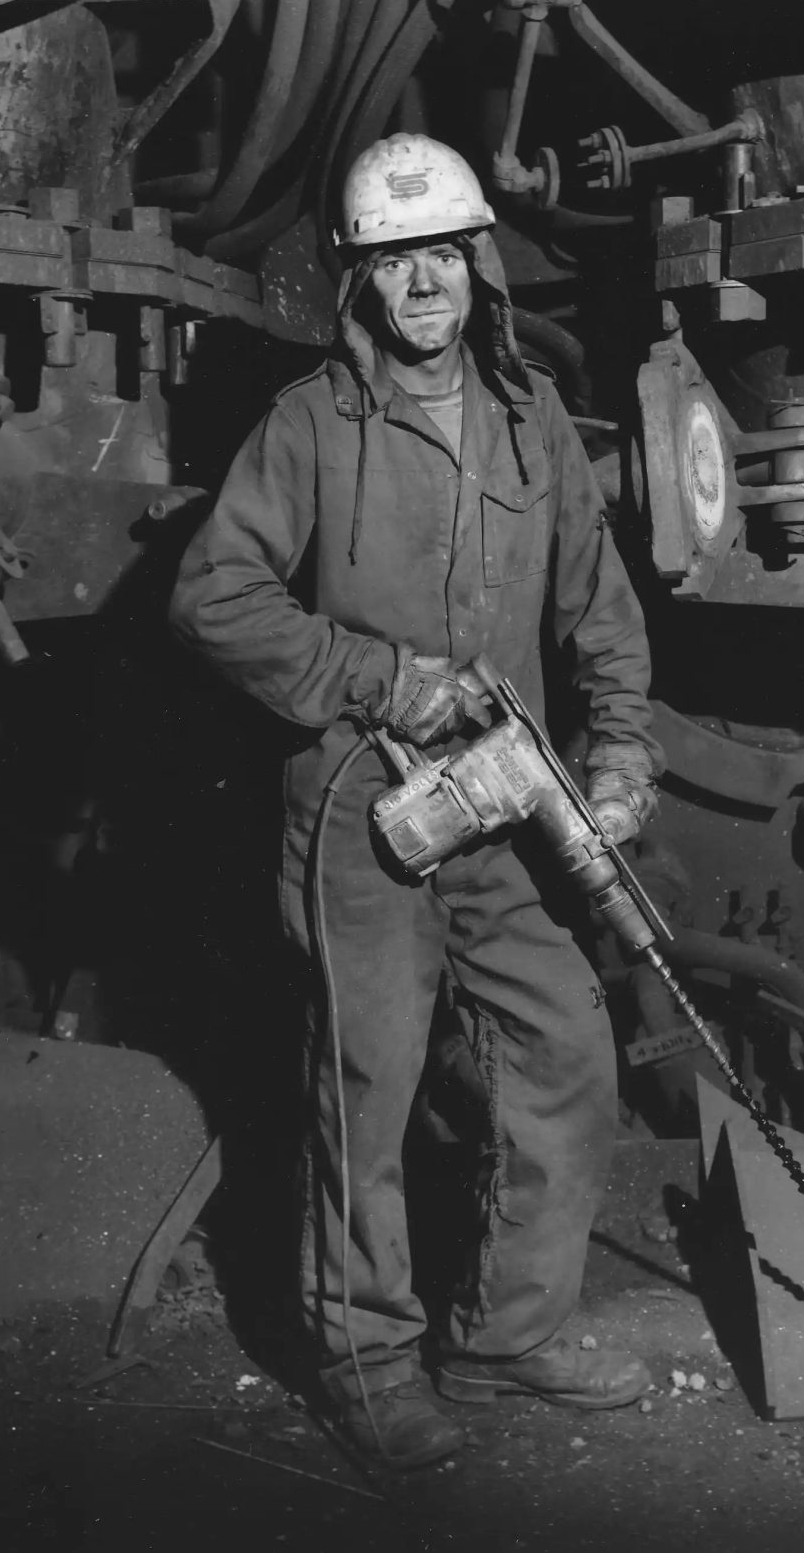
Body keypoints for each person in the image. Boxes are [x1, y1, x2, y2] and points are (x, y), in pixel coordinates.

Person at [170, 134, 662, 1469]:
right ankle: (368, 1365)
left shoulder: (527, 418)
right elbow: (214, 594)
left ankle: (506, 1341)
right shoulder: (310, 427)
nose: (422, 281)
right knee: (365, 1090)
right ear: (358, 282)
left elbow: (595, 605)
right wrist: (375, 679)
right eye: (393, 259)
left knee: (563, 1052)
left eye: (441, 252)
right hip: (358, 810)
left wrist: (618, 749)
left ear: (476, 265)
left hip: (508, 803)